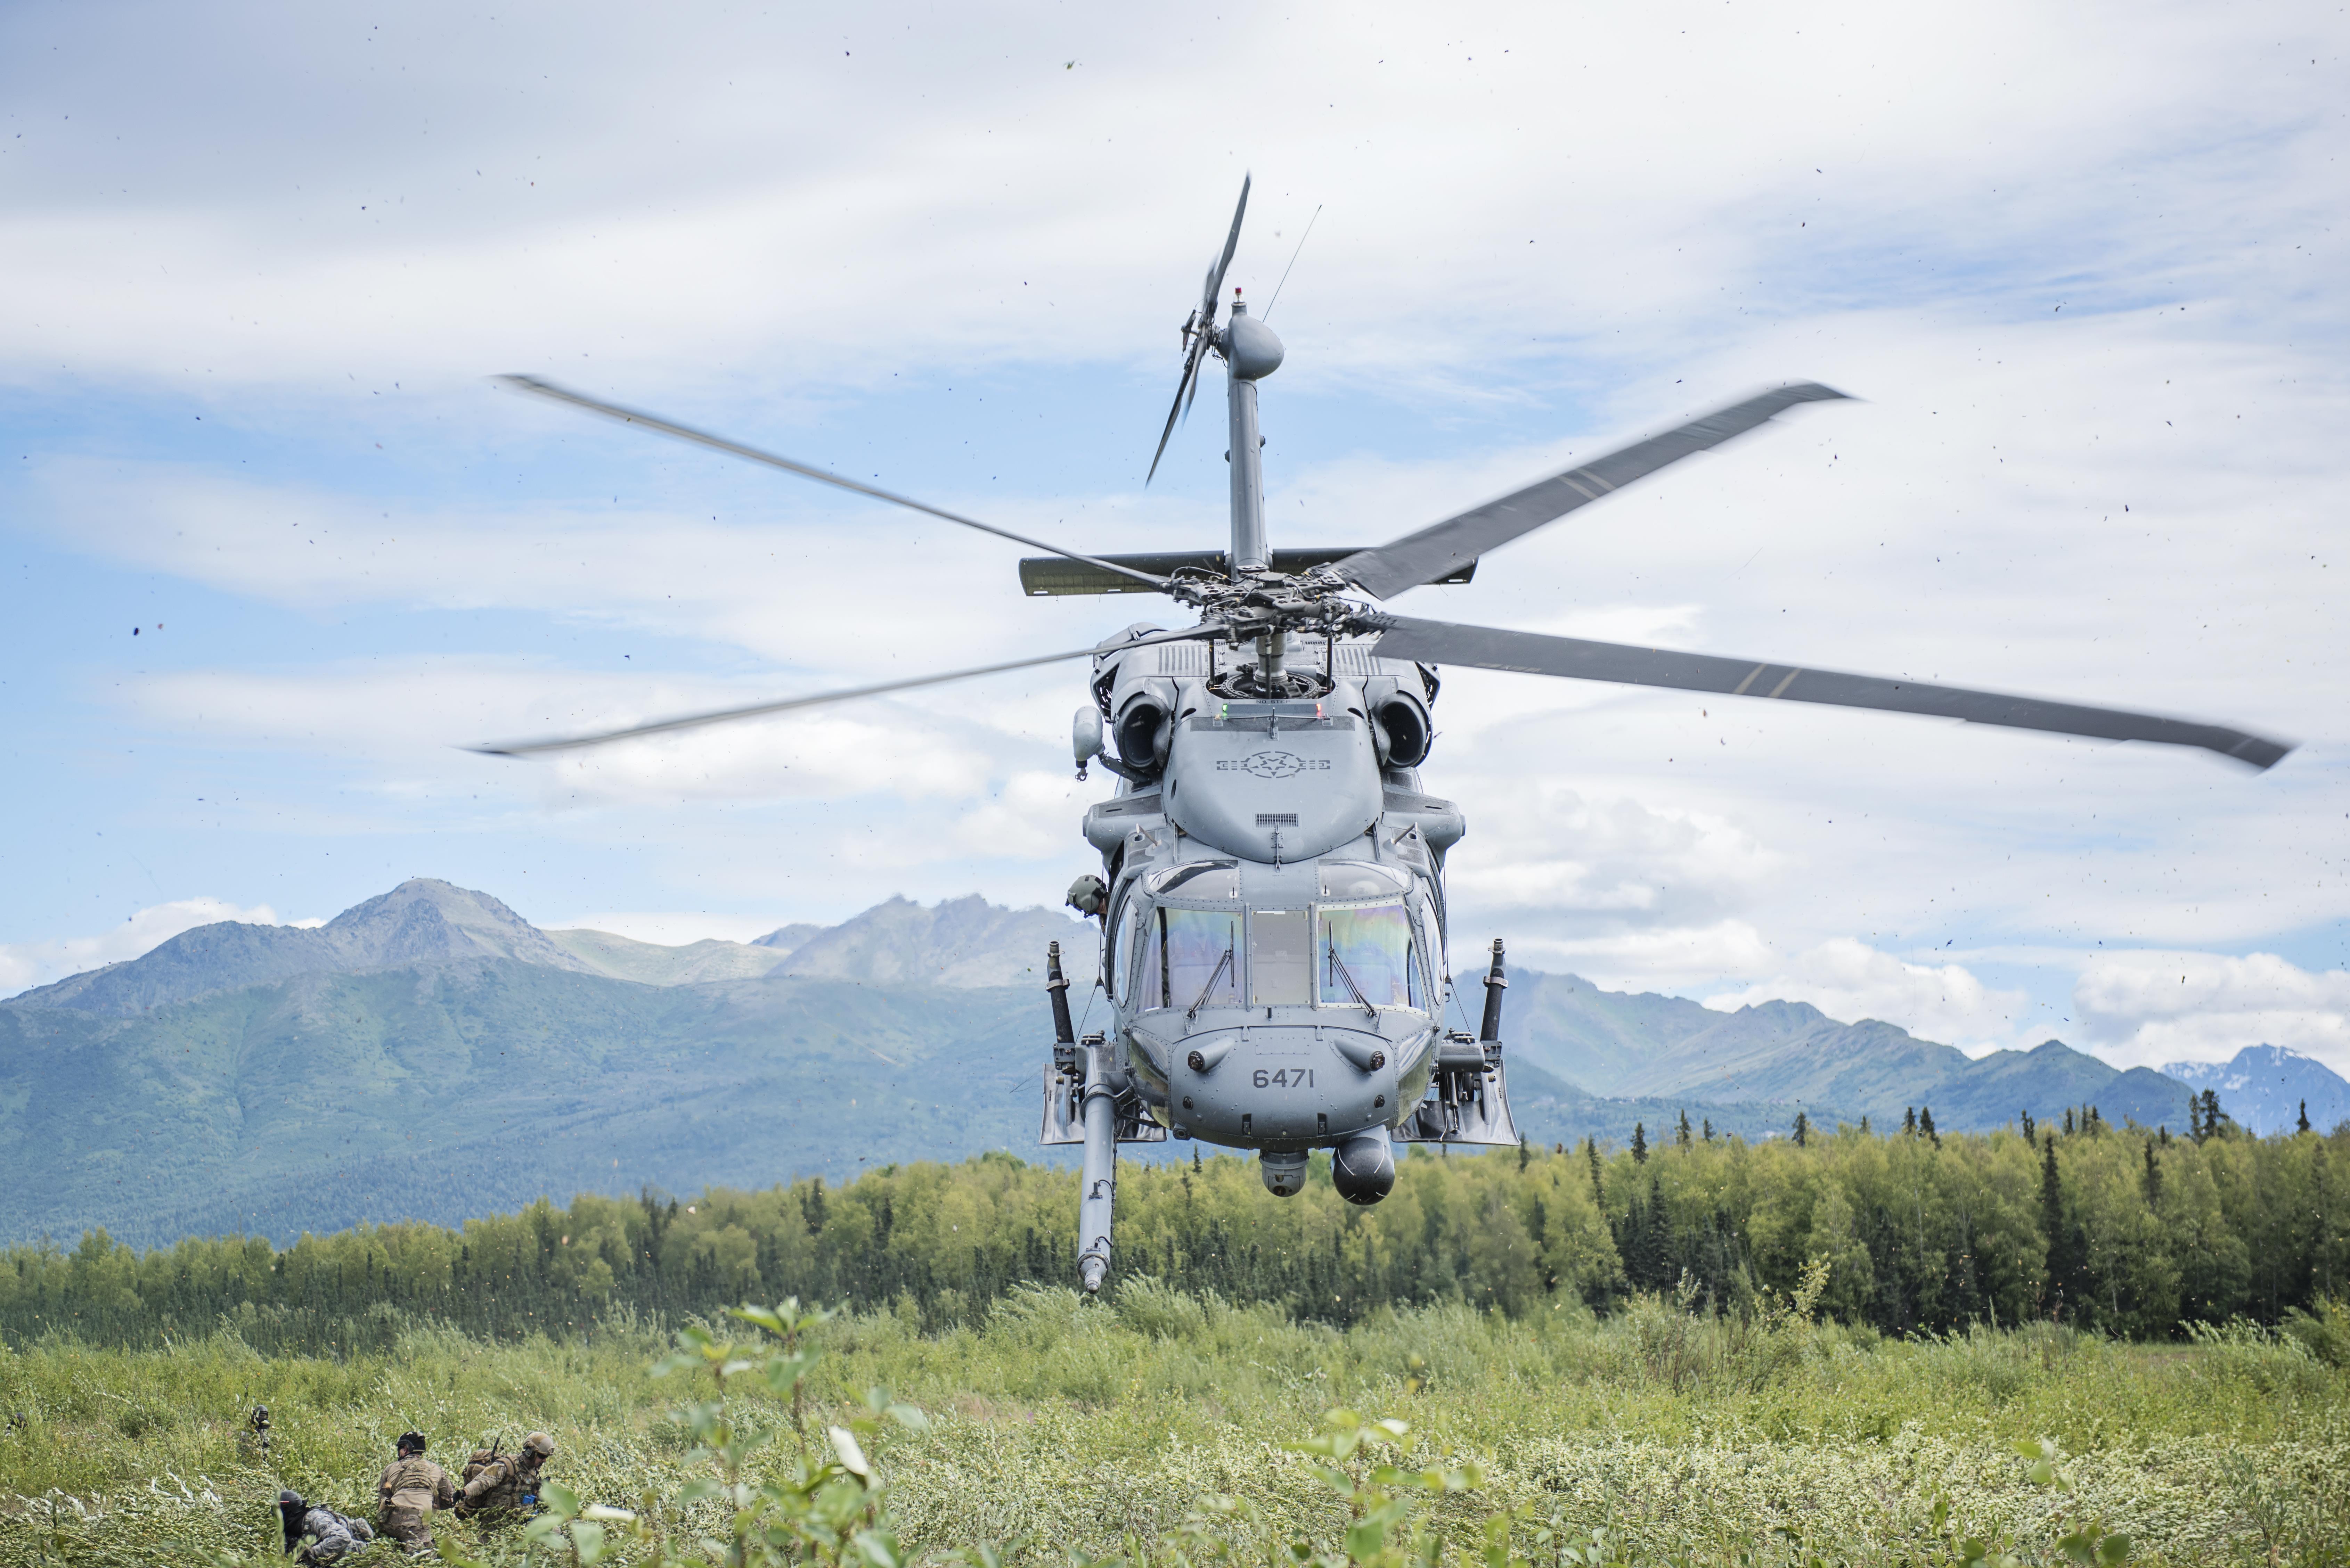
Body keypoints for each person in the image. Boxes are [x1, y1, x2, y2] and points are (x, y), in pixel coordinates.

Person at [377, 1430, 457, 1553]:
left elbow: (383, 1499)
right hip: (417, 1523)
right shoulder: (435, 1469)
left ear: (405, 1449)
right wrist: (433, 1504)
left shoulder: (390, 1468)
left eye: (400, 1449)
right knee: (425, 1557)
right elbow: (450, 1500)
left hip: (390, 1522)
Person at [456, 1430, 556, 1521]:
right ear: (531, 1452)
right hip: (492, 1527)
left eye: (546, 1457)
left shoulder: (534, 1474)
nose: (545, 1460)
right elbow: (482, 1482)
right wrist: (463, 1493)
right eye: (542, 1456)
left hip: (515, 1529)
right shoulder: (507, 1467)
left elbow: (534, 1497)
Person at [278, 1489, 375, 1565]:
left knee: (341, 1551)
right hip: (334, 1559)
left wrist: (313, 1552)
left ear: (287, 1511)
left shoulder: (315, 1518)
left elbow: (342, 1537)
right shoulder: (289, 1530)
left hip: (358, 1552)